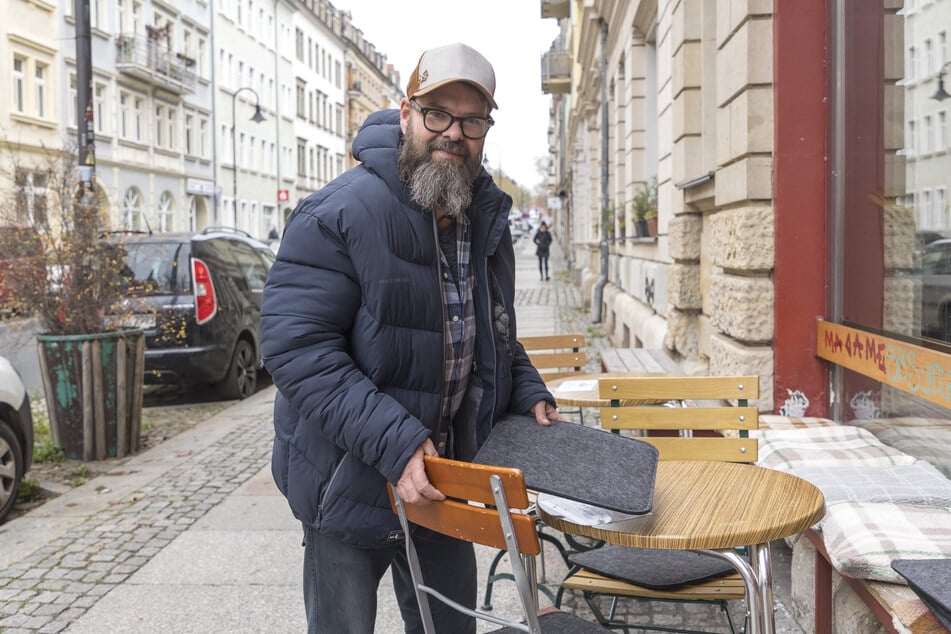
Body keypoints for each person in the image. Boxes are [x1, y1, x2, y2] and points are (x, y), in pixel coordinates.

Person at [260, 42, 564, 634]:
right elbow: (297, 351)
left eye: (471, 120)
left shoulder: (483, 219)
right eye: (437, 114)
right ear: (406, 115)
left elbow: (490, 330)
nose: (453, 132)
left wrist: (525, 388)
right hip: (344, 483)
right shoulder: (338, 213)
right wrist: (397, 444)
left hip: (443, 482)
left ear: (484, 130)